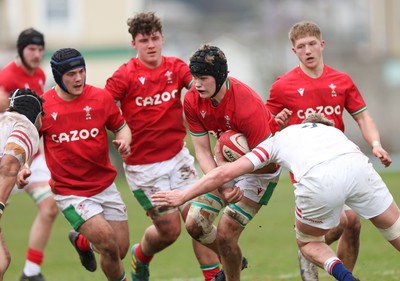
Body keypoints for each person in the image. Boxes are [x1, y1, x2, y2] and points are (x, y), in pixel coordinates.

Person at [153, 113, 400, 281]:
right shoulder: (334, 133)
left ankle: (346, 277)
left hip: (318, 178)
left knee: (309, 243)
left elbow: (225, 173)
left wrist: (184, 194)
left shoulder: (277, 140)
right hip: (358, 165)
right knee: (395, 231)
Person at [265, 20, 392, 281]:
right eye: (301, 46)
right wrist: (274, 122)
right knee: (346, 222)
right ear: (294, 51)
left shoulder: (341, 81)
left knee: (352, 224)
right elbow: (264, 124)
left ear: (322, 45)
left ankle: (311, 249)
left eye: (312, 44)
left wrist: (376, 144)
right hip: (309, 169)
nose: (308, 50)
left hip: (339, 164)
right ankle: (308, 245)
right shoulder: (283, 86)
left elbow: (363, 118)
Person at [104, 12, 220, 281]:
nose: (151, 45)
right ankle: (140, 255)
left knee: (198, 220)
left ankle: (214, 276)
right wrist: (120, 133)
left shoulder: (176, 67)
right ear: (134, 43)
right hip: (143, 169)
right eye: (144, 40)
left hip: (178, 158)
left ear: (162, 38)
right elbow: (103, 108)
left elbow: (199, 87)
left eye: (155, 38)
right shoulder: (124, 76)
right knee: (170, 230)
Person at [17, 48, 132, 281]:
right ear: (59, 76)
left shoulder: (100, 98)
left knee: (119, 249)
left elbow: (120, 125)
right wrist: (25, 165)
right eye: (71, 74)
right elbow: (30, 139)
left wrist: (125, 141)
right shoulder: (44, 105)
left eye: (81, 71)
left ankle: (81, 242)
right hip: (71, 193)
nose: (78, 78)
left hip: (105, 186)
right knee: (108, 244)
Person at [182, 43, 282, 281]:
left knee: (226, 233)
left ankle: (229, 271)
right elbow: (203, 152)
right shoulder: (192, 100)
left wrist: (234, 163)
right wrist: (224, 185)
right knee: (194, 225)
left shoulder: (247, 104)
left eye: (203, 78)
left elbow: (271, 159)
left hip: (261, 169)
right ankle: (232, 257)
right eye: (194, 77)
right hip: (224, 163)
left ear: (219, 76)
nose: (196, 84)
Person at [0, 27, 59, 281]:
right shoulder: (6, 77)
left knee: (49, 207)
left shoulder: (40, 75)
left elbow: (37, 125)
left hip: (30, 159)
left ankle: (31, 272)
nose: (36, 54)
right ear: (20, 50)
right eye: (31, 49)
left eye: (39, 49)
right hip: (7, 158)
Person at [0, 89, 45, 281]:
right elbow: (9, 165)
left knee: (2, 259)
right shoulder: (27, 126)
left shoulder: (4, 120)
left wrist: (24, 166)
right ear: (37, 114)